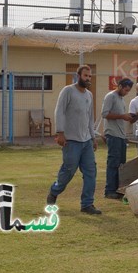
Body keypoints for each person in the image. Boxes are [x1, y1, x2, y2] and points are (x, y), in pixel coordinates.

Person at [47, 65, 101, 215]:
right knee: (68, 171)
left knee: (91, 172)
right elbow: (59, 111)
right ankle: (54, 191)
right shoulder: (68, 91)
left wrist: (93, 137)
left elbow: (90, 118)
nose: (88, 79)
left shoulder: (89, 95)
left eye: (90, 76)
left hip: (86, 141)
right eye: (86, 76)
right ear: (78, 76)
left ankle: (87, 204)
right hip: (71, 141)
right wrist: (60, 133)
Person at [101, 78, 138, 199]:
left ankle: (118, 189)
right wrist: (122, 116)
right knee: (113, 163)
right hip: (113, 135)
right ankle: (109, 191)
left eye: (128, 91)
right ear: (119, 86)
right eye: (125, 90)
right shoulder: (111, 96)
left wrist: (135, 115)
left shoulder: (121, 99)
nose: (126, 93)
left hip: (121, 135)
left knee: (121, 164)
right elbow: (104, 114)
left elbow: (122, 117)